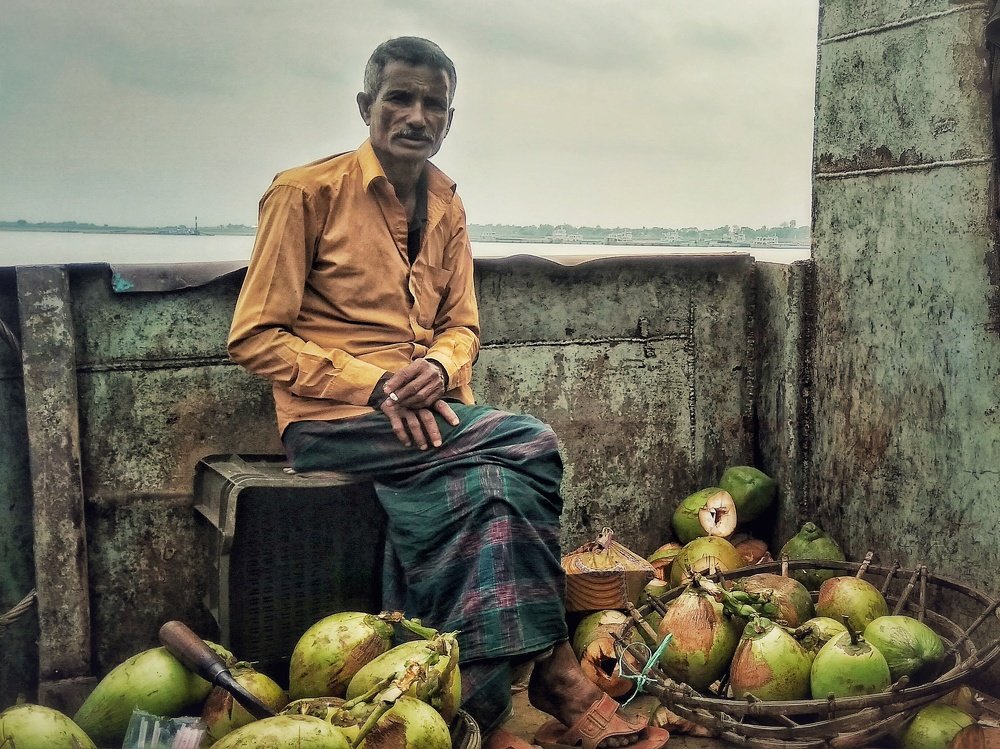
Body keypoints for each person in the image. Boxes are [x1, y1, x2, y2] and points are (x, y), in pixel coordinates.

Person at [227, 36, 668, 749]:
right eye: (399, 97)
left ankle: (478, 709)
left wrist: (437, 362)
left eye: (433, 103)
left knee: (493, 489)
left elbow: (462, 323)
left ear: (449, 118)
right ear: (366, 106)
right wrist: (376, 387)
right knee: (530, 441)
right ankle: (555, 672)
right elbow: (255, 337)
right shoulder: (304, 193)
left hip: (432, 417)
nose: (416, 114)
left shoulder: (447, 202)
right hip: (333, 418)